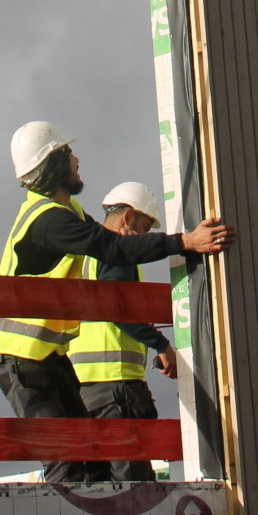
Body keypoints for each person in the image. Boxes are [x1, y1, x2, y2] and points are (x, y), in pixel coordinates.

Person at [0, 121, 234, 483]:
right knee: (67, 462)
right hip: (22, 360)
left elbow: (107, 241)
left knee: (94, 459)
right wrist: (186, 242)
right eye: (69, 154)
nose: (78, 160)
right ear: (54, 164)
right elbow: (113, 248)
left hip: (44, 357)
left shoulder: (61, 214)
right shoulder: (51, 221)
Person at [68, 182, 177, 482]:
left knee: (99, 486)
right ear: (127, 218)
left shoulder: (85, 255)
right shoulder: (119, 252)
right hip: (118, 388)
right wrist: (162, 346)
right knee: (134, 487)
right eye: (143, 228)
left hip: (85, 390)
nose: (142, 238)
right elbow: (118, 311)